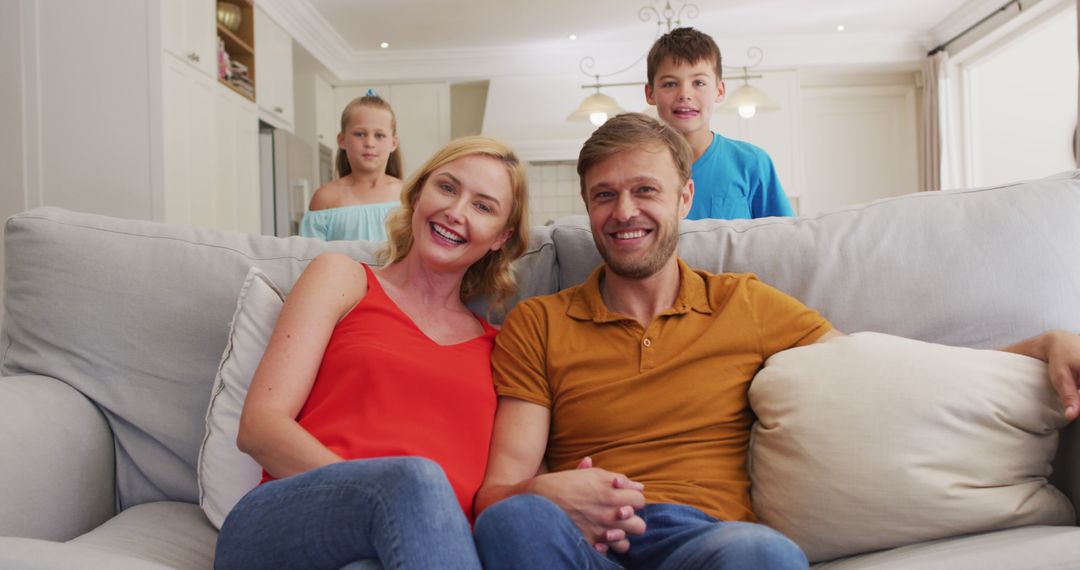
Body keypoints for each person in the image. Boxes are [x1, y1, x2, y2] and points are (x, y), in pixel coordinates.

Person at [471, 113, 1080, 570]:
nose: (624, 212)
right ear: (586, 206)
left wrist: (1042, 345)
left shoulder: (744, 303)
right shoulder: (539, 322)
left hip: (707, 541)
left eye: (645, 191)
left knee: (762, 553)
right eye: (604, 195)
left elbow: (891, 373)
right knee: (516, 520)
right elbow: (498, 494)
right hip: (581, 541)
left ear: (685, 197)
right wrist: (545, 491)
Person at [214, 136, 530, 570]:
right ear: (418, 194)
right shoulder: (342, 278)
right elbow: (259, 427)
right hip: (288, 522)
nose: (456, 212)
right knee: (412, 479)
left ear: (501, 237)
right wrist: (374, 492)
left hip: (420, 550)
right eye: (448, 188)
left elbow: (511, 485)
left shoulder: (504, 348)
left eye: (483, 206)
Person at [645, 27, 794, 220]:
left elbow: (785, 239)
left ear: (720, 90)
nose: (684, 94)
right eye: (670, 84)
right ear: (650, 93)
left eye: (698, 83)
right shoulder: (639, 166)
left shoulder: (752, 162)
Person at [300, 93, 404, 241]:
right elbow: (309, 257)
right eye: (360, 134)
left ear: (393, 143)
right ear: (342, 140)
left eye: (379, 135)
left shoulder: (407, 195)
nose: (369, 143)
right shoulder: (325, 199)